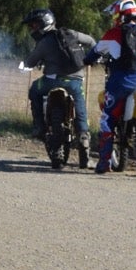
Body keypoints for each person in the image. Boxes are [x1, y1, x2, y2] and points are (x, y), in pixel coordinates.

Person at [84, 0, 136, 174]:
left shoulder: (112, 35)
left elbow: (94, 54)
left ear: (120, 16)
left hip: (120, 85)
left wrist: (87, 60)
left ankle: (104, 163)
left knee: (107, 119)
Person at [20, 8, 93, 163]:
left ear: (44, 23)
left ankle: (39, 126)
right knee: (79, 99)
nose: (34, 29)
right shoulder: (71, 33)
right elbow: (92, 42)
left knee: (34, 89)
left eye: (35, 25)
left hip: (51, 81)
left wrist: (27, 63)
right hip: (75, 81)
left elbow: (30, 61)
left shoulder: (44, 42)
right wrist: (93, 57)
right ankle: (84, 134)